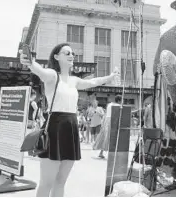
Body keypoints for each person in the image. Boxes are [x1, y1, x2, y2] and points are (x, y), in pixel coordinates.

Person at [19, 42, 120, 197]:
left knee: (61, 182)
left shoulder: (74, 80)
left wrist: (111, 77)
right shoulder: (52, 75)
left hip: (70, 128)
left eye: (72, 53)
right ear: (56, 56)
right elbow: (40, 71)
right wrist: (30, 62)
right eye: (67, 53)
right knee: (46, 183)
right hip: (54, 128)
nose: (72, 55)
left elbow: (93, 82)